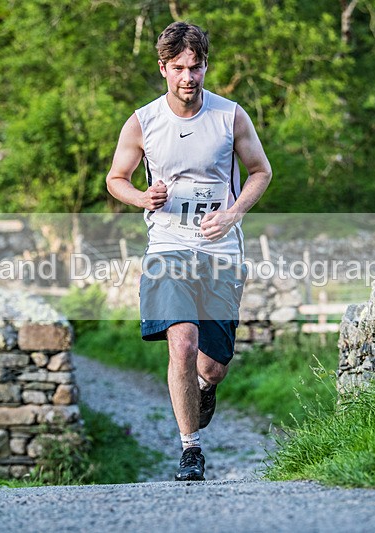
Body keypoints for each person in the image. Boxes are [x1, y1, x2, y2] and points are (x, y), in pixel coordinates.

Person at [106, 21, 272, 481]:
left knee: (213, 365)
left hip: (221, 250)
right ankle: (190, 449)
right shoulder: (143, 121)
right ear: (163, 68)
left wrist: (233, 213)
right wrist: (142, 198)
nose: (188, 78)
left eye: (196, 68)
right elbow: (115, 178)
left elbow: (261, 171)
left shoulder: (230, 116)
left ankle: (203, 386)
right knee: (181, 343)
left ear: (205, 67)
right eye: (178, 68)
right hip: (168, 246)